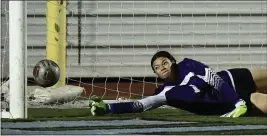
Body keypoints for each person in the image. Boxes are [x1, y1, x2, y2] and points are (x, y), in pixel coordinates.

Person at [89, 51, 267, 117]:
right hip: (234, 102)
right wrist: (108, 108)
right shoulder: (165, 94)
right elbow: (140, 105)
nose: (162, 67)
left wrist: (236, 101)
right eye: (157, 67)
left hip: (232, 79)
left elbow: (212, 77)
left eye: (165, 62)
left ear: (173, 61)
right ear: (156, 73)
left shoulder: (188, 64)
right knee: (261, 102)